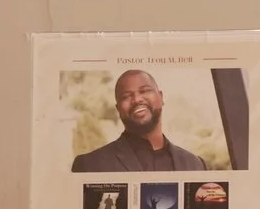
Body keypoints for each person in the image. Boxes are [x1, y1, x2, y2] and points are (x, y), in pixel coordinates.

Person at [71, 69, 208, 173]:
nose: (137, 99)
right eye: (126, 96)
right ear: (118, 109)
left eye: (145, 91)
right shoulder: (90, 165)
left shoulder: (195, 164)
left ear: (161, 97)